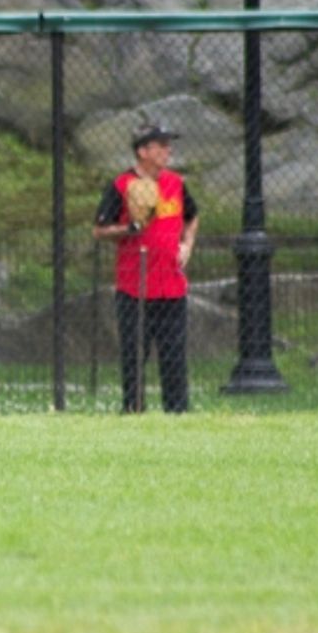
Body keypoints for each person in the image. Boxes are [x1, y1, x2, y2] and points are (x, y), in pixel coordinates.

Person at [93, 122, 200, 414]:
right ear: (142, 151)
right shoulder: (121, 185)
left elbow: (192, 216)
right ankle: (133, 409)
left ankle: (177, 412)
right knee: (134, 355)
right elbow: (100, 231)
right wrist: (131, 227)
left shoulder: (175, 183)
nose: (168, 150)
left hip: (171, 285)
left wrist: (186, 245)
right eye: (161, 145)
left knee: (174, 356)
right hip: (135, 286)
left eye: (168, 144)